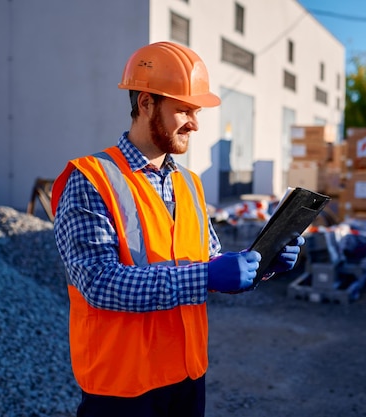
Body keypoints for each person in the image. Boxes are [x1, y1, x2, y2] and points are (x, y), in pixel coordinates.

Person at [51, 41, 304, 417]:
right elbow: (99, 283)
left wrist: (263, 264)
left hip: (185, 378)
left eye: (196, 110)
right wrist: (205, 275)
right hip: (121, 388)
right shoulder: (90, 179)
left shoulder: (189, 183)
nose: (195, 123)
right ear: (146, 103)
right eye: (184, 109)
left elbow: (210, 263)